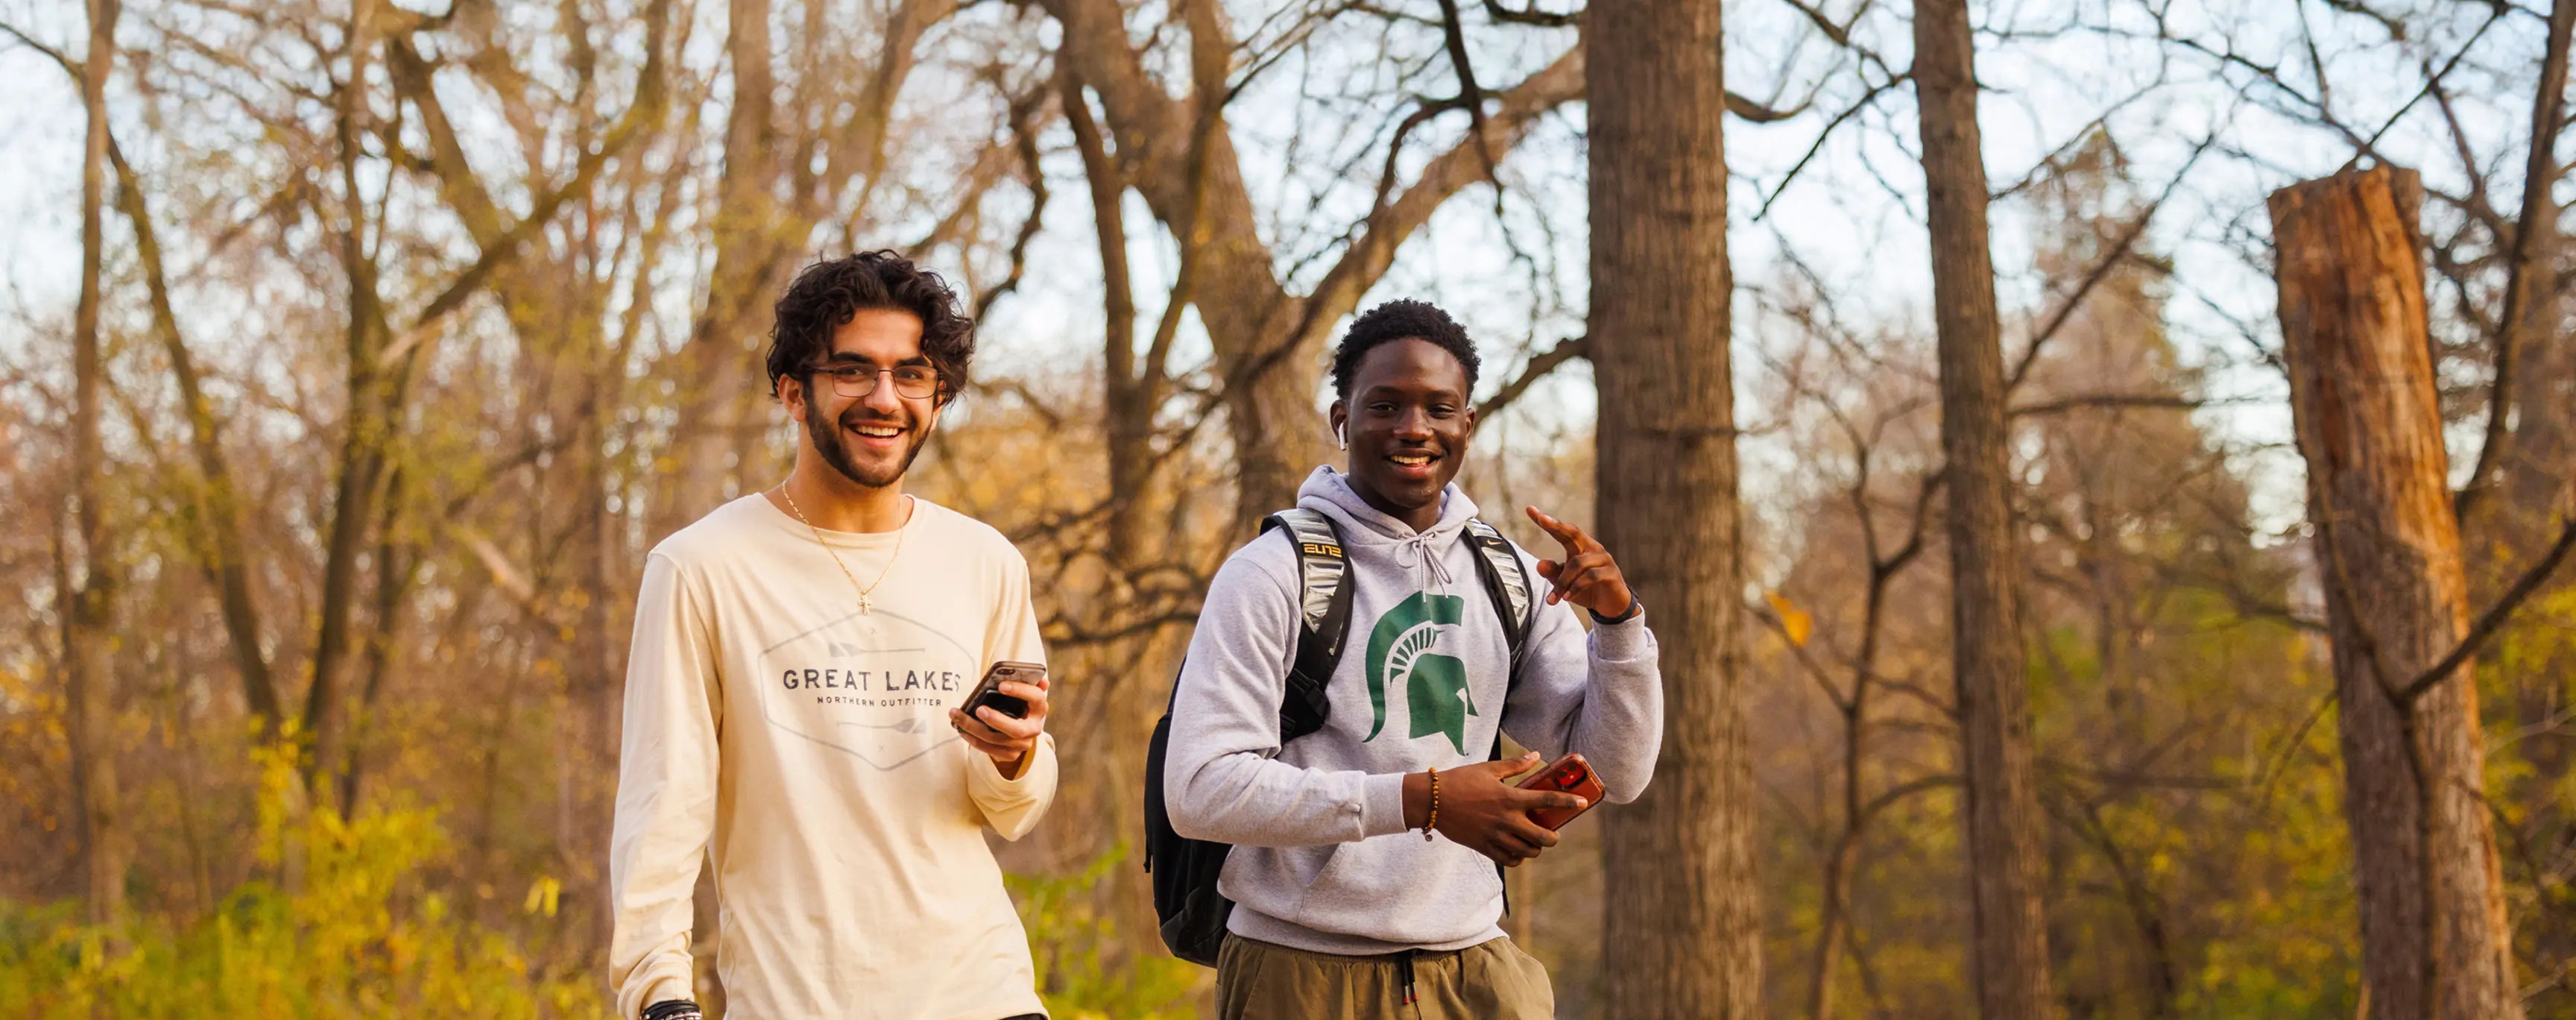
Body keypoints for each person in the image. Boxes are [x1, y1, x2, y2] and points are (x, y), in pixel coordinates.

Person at [1161, 299, 1664, 1019]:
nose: (1414, 428)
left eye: (1439, 408)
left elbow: (1618, 771)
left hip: (1477, 968)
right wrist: (1421, 799)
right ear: (1342, 419)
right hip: (1302, 971)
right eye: (1385, 405)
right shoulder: (1271, 574)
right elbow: (1199, 791)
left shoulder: (1511, 577)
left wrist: (1618, 626)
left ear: (1468, 424)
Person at [607, 251, 1057, 1020]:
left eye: (911, 374)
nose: (885, 398)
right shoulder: (700, 567)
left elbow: (1016, 810)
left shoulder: (985, 562)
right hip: (799, 1000)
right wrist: (659, 995)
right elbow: (663, 801)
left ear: (938, 398)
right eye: (853, 371)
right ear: (793, 391)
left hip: (986, 994)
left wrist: (1013, 757)